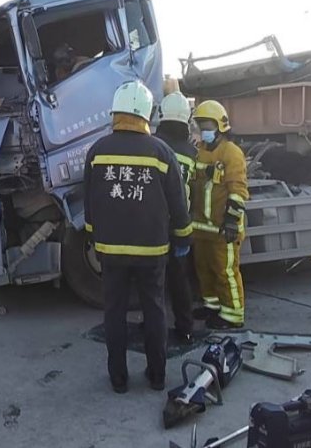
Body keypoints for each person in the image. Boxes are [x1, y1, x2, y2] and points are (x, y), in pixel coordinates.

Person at [83, 81, 192, 394]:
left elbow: (89, 203)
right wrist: (183, 238)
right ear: (147, 113)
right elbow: (178, 203)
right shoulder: (161, 152)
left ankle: (118, 379)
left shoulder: (97, 152)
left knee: (114, 312)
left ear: (116, 113)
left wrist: (93, 238)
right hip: (152, 250)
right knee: (154, 309)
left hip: (110, 250)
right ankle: (157, 376)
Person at [189, 99, 249, 330]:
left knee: (226, 272)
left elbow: (238, 189)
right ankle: (212, 306)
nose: (203, 131)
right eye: (200, 126)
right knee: (204, 269)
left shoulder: (231, 153)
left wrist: (232, 221)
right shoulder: (201, 152)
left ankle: (233, 314)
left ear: (220, 126)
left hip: (223, 227)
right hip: (202, 227)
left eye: (207, 126)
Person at [155, 92, 198, 344]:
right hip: (180, 223)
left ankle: (154, 325)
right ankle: (185, 327)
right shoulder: (191, 152)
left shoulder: (152, 145)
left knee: (152, 281)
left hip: (153, 224)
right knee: (180, 280)